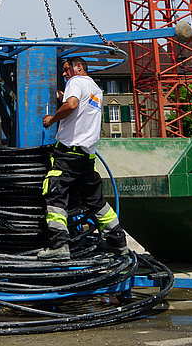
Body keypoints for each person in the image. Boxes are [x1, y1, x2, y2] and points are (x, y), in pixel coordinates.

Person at [38, 57, 128, 260]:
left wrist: (52, 118)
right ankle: (117, 241)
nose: (64, 73)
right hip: (87, 156)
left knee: (55, 194)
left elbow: (71, 104)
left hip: (68, 153)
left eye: (66, 69)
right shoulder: (96, 89)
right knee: (96, 201)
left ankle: (59, 244)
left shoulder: (75, 82)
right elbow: (78, 108)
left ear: (78, 67)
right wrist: (64, 98)